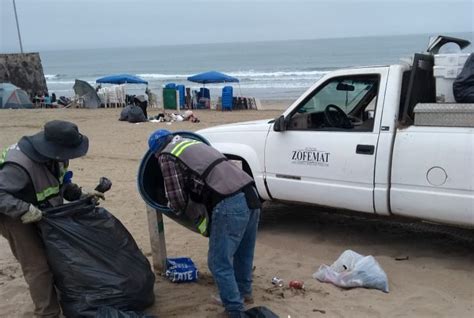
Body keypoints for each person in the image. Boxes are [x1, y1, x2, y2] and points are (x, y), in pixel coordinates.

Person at [148, 130, 261, 318]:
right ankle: (243, 293)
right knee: (243, 252)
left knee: (218, 262)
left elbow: (176, 199)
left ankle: (234, 309)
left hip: (229, 202)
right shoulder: (192, 144)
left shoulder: (166, 155)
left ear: (155, 152)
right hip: (251, 196)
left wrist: (173, 209)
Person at [0, 120, 104, 317]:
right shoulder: (19, 165)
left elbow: (60, 183)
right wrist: (23, 209)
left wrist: (80, 196)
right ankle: (47, 313)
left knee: (55, 255)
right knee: (37, 266)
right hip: (11, 214)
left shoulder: (57, 157)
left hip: (41, 210)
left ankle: (61, 298)